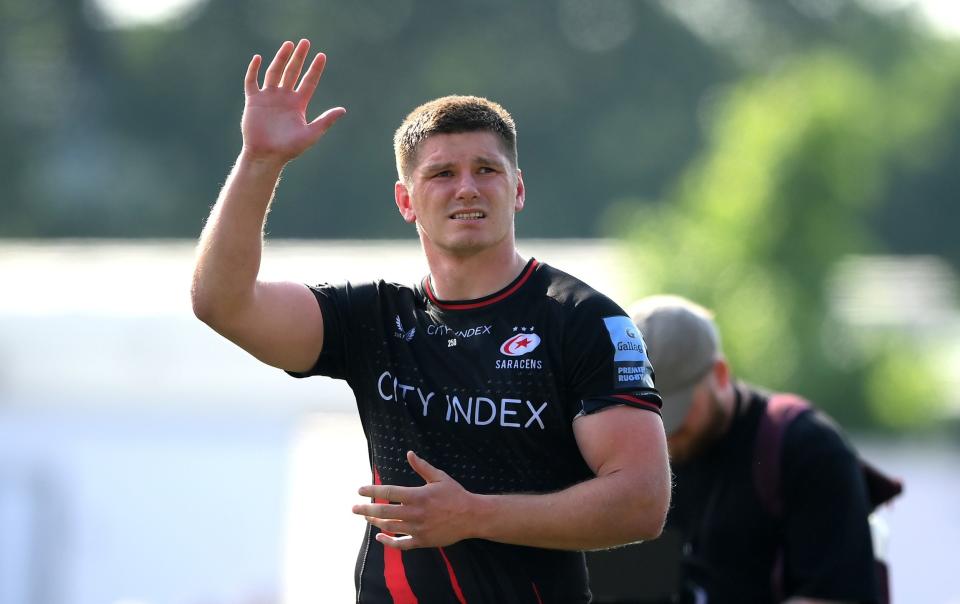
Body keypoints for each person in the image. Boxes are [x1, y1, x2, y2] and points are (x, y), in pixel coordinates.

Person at [191, 38, 671, 603]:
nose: (466, 186)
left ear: (517, 189)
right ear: (406, 201)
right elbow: (222, 303)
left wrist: (474, 516)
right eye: (442, 173)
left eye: (486, 169)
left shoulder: (582, 320)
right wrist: (260, 161)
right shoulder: (374, 319)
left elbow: (642, 502)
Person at [629, 295, 880, 604]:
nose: (664, 432)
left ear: (720, 375)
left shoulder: (806, 450)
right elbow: (629, 587)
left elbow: (833, 596)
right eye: (648, 414)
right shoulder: (631, 455)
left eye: (676, 411)